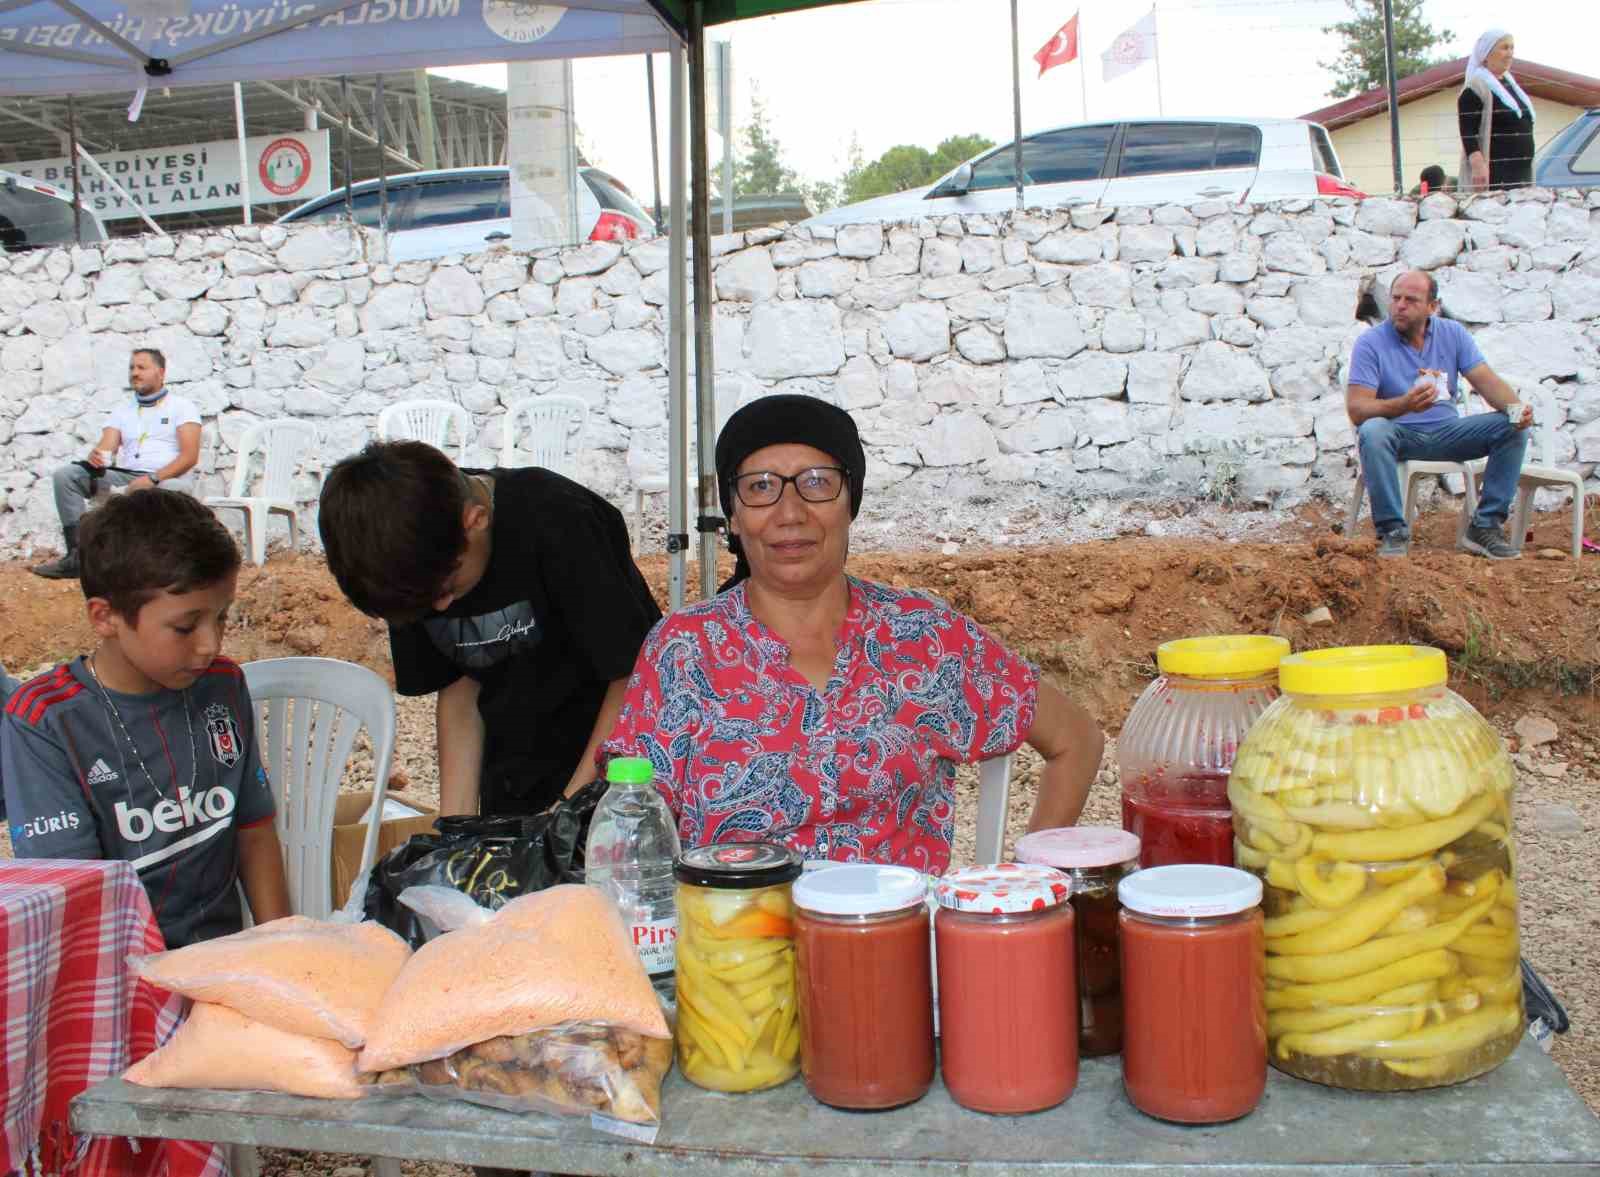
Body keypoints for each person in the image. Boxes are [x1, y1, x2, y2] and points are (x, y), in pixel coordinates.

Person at [599, 394, 1104, 874]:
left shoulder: (922, 635)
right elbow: (633, 831)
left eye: (817, 483)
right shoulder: (683, 650)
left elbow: (1075, 741)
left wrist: (1022, 885)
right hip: (738, 949)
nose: (790, 513)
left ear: (851, 502)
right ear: (733, 513)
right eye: (760, 487)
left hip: (898, 943)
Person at [2, 490, 290, 948]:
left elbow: (253, 831)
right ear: (105, 617)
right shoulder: (45, 721)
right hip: (119, 978)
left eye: (222, 618)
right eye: (185, 626)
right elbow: (78, 900)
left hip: (224, 964)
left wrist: (284, 948)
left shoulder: (222, 684)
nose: (209, 644)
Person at [317, 440, 661, 819]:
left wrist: (564, 813)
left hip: (621, 780)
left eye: (448, 587)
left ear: (475, 520)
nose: (442, 607)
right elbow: (460, 688)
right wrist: (456, 830)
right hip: (514, 785)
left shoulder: (558, 520)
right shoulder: (405, 560)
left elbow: (632, 675)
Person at [1347, 270, 1530, 560]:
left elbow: (1485, 380)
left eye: (1411, 300)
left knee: (1512, 427)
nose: (1400, 306)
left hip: (1448, 433)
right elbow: (1357, 409)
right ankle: (1392, 530)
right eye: (1395, 298)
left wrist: (1517, 410)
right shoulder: (1371, 343)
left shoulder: (1452, 333)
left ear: (1433, 306)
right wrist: (1404, 405)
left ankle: (1484, 527)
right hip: (1399, 435)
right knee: (1372, 430)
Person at [32, 348, 202, 580]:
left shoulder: (182, 407)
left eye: (142, 367)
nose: (134, 373)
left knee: (173, 490)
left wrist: (153, 479)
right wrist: (98, 455)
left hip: (167, 479)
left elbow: (190, 456)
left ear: (161, 373)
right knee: (67, 476)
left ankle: (167, 566)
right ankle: (78, 558)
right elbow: (107, 446)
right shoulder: (123, 411)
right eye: (132, 368)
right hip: (126, 477)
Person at [1458, 29, 1535, 192]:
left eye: (1512, 48)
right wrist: (1478, 165)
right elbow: (1468, 131)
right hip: (1496, 177)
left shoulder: (1511, 86)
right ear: (1486, 54)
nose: (1510, 53)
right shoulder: (1476, 87)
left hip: (1521, 176)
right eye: (1504, 48)